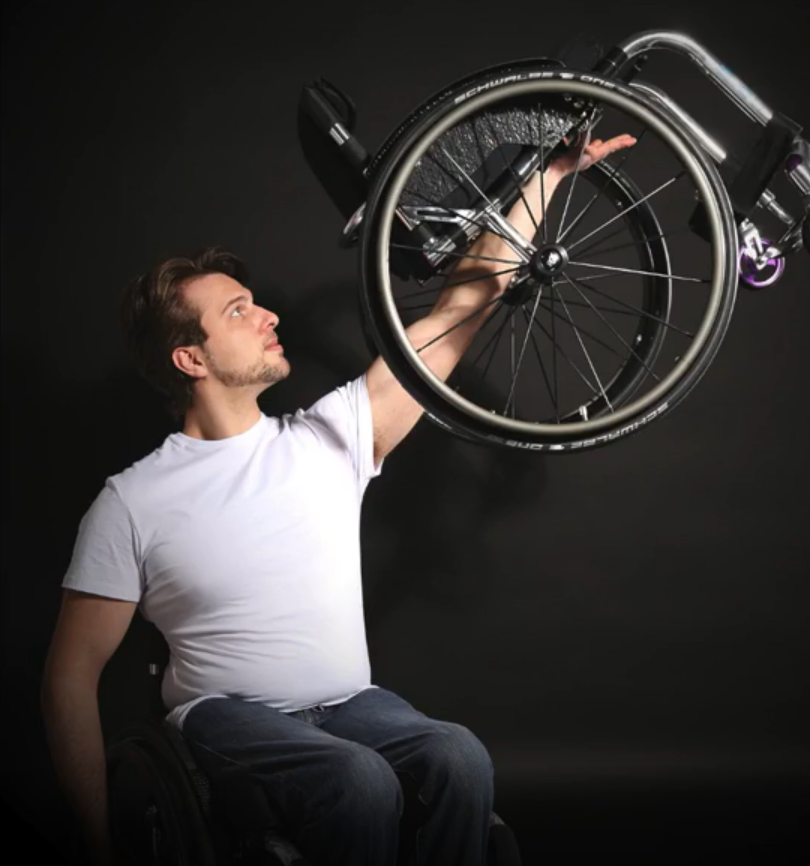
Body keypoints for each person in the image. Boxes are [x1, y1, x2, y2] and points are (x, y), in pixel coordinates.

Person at [40, 127, 636, 866]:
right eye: (238, 312)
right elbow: (70, 677)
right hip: (224, 720)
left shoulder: (331, 435)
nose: (269, 316)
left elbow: (464, 303)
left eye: (256, 304)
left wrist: (550, 174)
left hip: (352, 706)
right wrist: (96, 840)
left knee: (459, 758)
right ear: (190, 358)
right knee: (359, 783)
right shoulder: (131, 500)